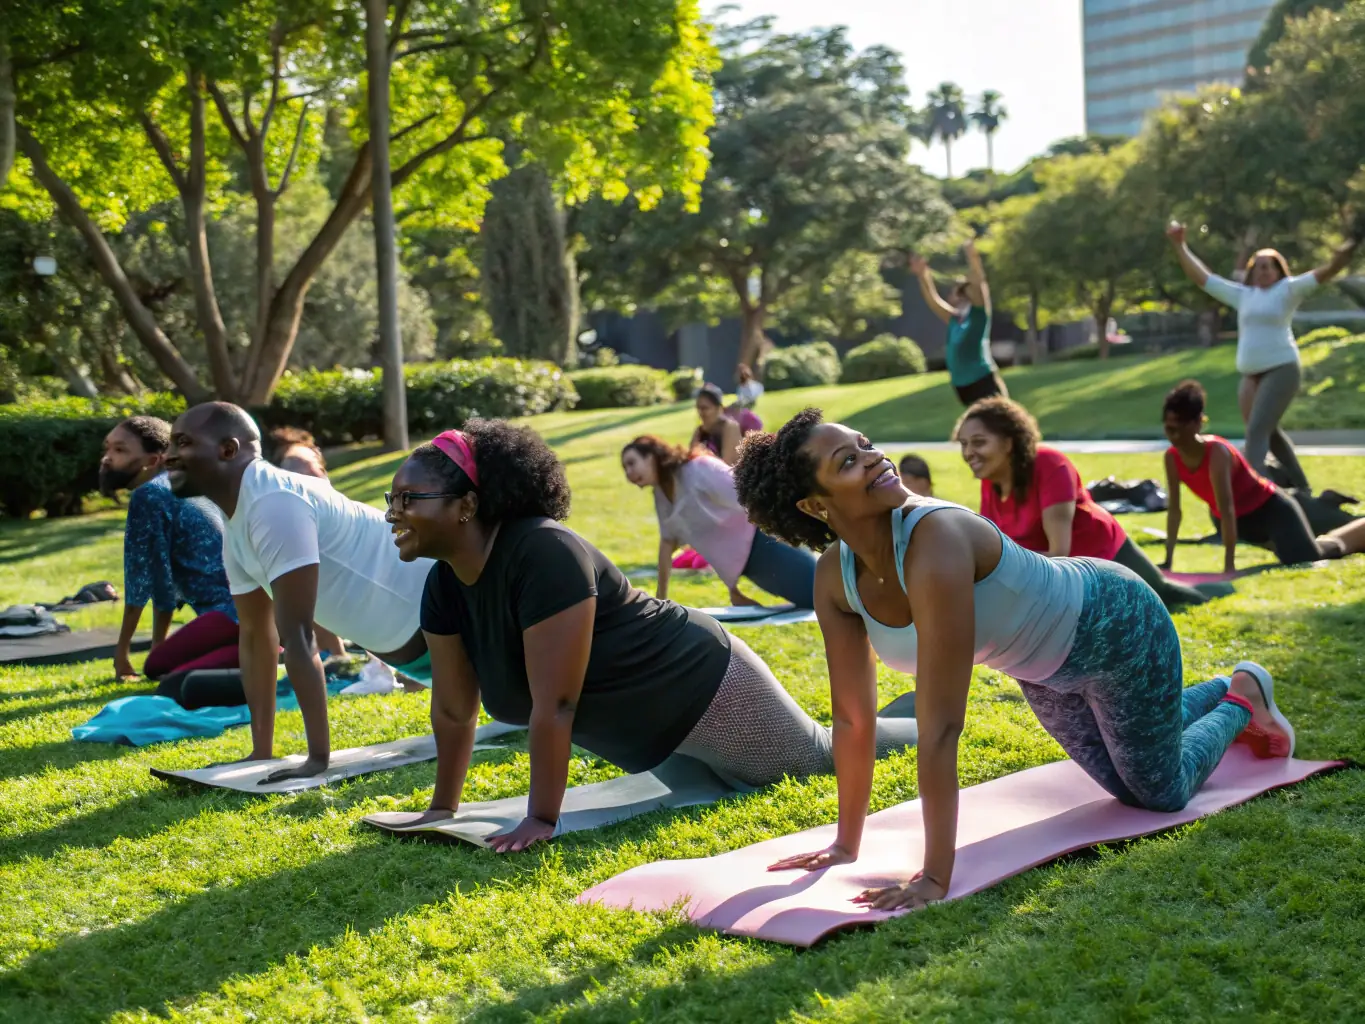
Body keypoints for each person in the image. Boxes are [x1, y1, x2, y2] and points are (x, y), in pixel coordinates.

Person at [733, 408, 1293, 911]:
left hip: (1116, 626)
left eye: (866, 443)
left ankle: (1239, 694)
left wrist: (934, 877)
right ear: (814, 504)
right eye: (849, 461)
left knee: (1160, 793)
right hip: (1043, 675)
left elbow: (942, 725)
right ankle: (1206, 696)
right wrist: (844, 843)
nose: (876, 458)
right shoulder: (836, 577)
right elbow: (853, 717)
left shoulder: (936, 539)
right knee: (1128, 787)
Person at [379, 420, 920, 851]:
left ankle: (924, 718)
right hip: (654, 734)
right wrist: (442, 809)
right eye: (391, 499)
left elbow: (558, 701)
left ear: (467, 505)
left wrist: (542, 819)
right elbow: (453, 711)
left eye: (408, 499)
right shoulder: (443, 587)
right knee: (715, 786)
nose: (392, 514)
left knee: (817, 758)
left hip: (705, 686)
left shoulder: (543, 552)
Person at [166, 402, 434, 782]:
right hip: (414, 646)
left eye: (182, 442)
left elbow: (298, 636)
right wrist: (261, 753)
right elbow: (257, 635)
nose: (168, 455)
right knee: (518, 708)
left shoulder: (274, 503)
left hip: (448, 621)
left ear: (228, 449)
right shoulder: (238, 520)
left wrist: (317, 760)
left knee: (526, 705)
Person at [954, 398, 1217, 610]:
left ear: (1008, 442)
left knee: (1164, 595)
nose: (968, 453)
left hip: (1104, 553)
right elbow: (994, 549)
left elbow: (1059, 552)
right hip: (1059, 577)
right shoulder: (990, 481)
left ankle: (1219, 592)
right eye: (964, 444)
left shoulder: (1050, 464)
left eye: (979, 442)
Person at [1166, 221, 1358, 490]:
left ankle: (1254, 491)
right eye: (1257, 267)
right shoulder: (1243, 295)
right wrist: (1180, 245)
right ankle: (1302, 488)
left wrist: (1345, 252)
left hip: (1281, 368)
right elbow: (1203, 279)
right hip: (1250, 374)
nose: (1261, 271)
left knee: (1256, 433)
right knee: (1269, 433)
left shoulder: (1288, 289)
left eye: (1267, 266)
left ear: (1279, 270)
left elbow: (1325, 272)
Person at [1161, 380, 1365, 571]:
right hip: (1244, 524)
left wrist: (1228, 566)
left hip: (1272, 511)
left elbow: (1227, 508)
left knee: (1307, 557)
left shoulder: (1217, 453)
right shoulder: (1171, 458)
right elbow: (1175, 511)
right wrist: (1168, 561)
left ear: (1198, 423)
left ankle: (1355, 531)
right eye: (1170, 429)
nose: (1175, 437)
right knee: (1288, 556)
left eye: (1181, 429)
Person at [98, 416, 239, 685]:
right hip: (252, 612)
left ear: (153, 460)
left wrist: (122, 654)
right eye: (107, 448)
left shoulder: (149, 494)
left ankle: (261, 654)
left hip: (228, 618)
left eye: (120, 450)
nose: (107, 458)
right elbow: (162, 582)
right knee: (162, 664)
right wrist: (158, 647)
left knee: (161, 670)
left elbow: (141, 580)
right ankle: (263, 650)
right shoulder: (188, 485)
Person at [621, 435, 819, 609]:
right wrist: (661, 599)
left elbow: (748, 497)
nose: (628, 473)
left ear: (651, 456)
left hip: (768, 544)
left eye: (631, 463)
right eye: (624, 468)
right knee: (812, 602)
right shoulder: (661, 496)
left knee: (825, 595)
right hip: (751, 568)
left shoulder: (698, 468)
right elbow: (668, 542)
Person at [911, 240, 1007, 406]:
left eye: (959, 290)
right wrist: (922, 275)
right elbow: (933, 301)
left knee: (999, 427)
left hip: (982, 381)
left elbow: (980, 284)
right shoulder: (955, 319)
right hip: (962, 386)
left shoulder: (978, 315)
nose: (952, 294)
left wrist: (972, 257)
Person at [691, 383, 748, 465]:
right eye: (698, 408)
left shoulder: (730, 427)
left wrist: (705, 456)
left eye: (705, 408)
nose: (700, 412)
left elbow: (726, 465)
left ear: (718, 408)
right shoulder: (700, 431)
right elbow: (691, 459)